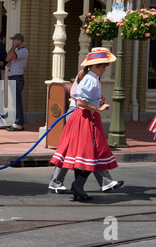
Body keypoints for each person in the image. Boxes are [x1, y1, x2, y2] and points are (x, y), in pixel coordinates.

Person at [49, 47, 119, 201]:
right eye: (103, 66)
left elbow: (86, 98)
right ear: (95, 66)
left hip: (88, 117)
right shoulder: (90, 79)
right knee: (91, 152)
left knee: (85, 154)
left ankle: (78, 188)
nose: (105, 69)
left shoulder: (92, 78)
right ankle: (78, 185)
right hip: (85, 117)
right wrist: (98, 108)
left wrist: (97, 101)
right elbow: (81, 101)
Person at [5, 33, 28, 131]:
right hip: (13, 78)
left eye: (15, 40)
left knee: (17, 102)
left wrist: (13, 47)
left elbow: (10, 56)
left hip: (17, 78)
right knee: (14, 101)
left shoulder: (23, 51)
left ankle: (18, 123)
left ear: (20, 41)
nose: (13, 42)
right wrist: (13, 47)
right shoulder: (18, 50)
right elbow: (7, 58)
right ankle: (16, 122)